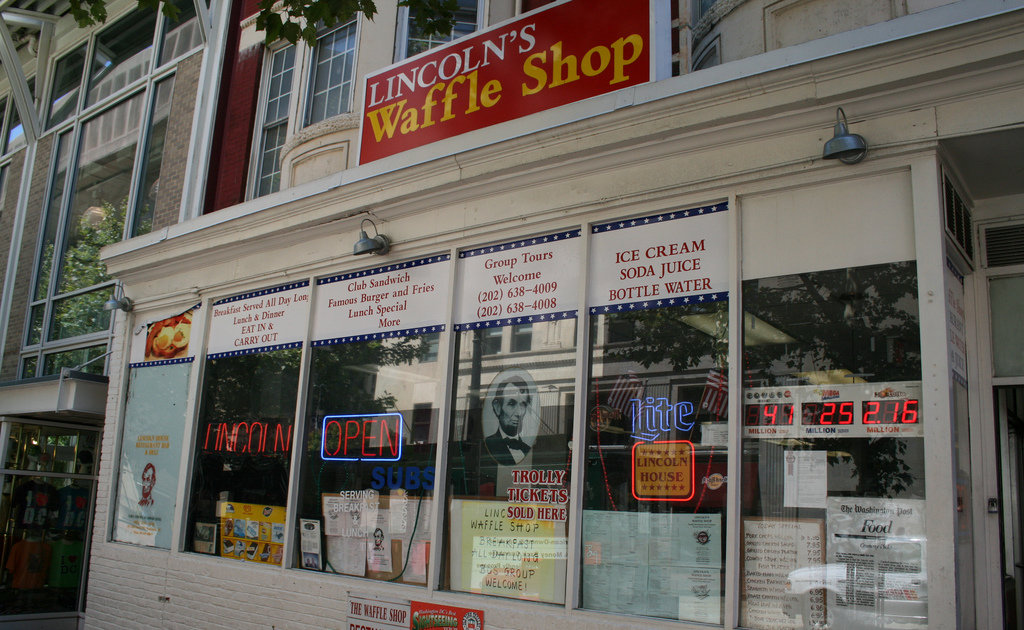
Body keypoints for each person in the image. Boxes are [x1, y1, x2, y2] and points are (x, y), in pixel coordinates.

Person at [483, 377, 533, 466]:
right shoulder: (485, 446)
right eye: (511, 404)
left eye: (523, 405)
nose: (519, 413)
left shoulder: (528, 450)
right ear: (497, 407)